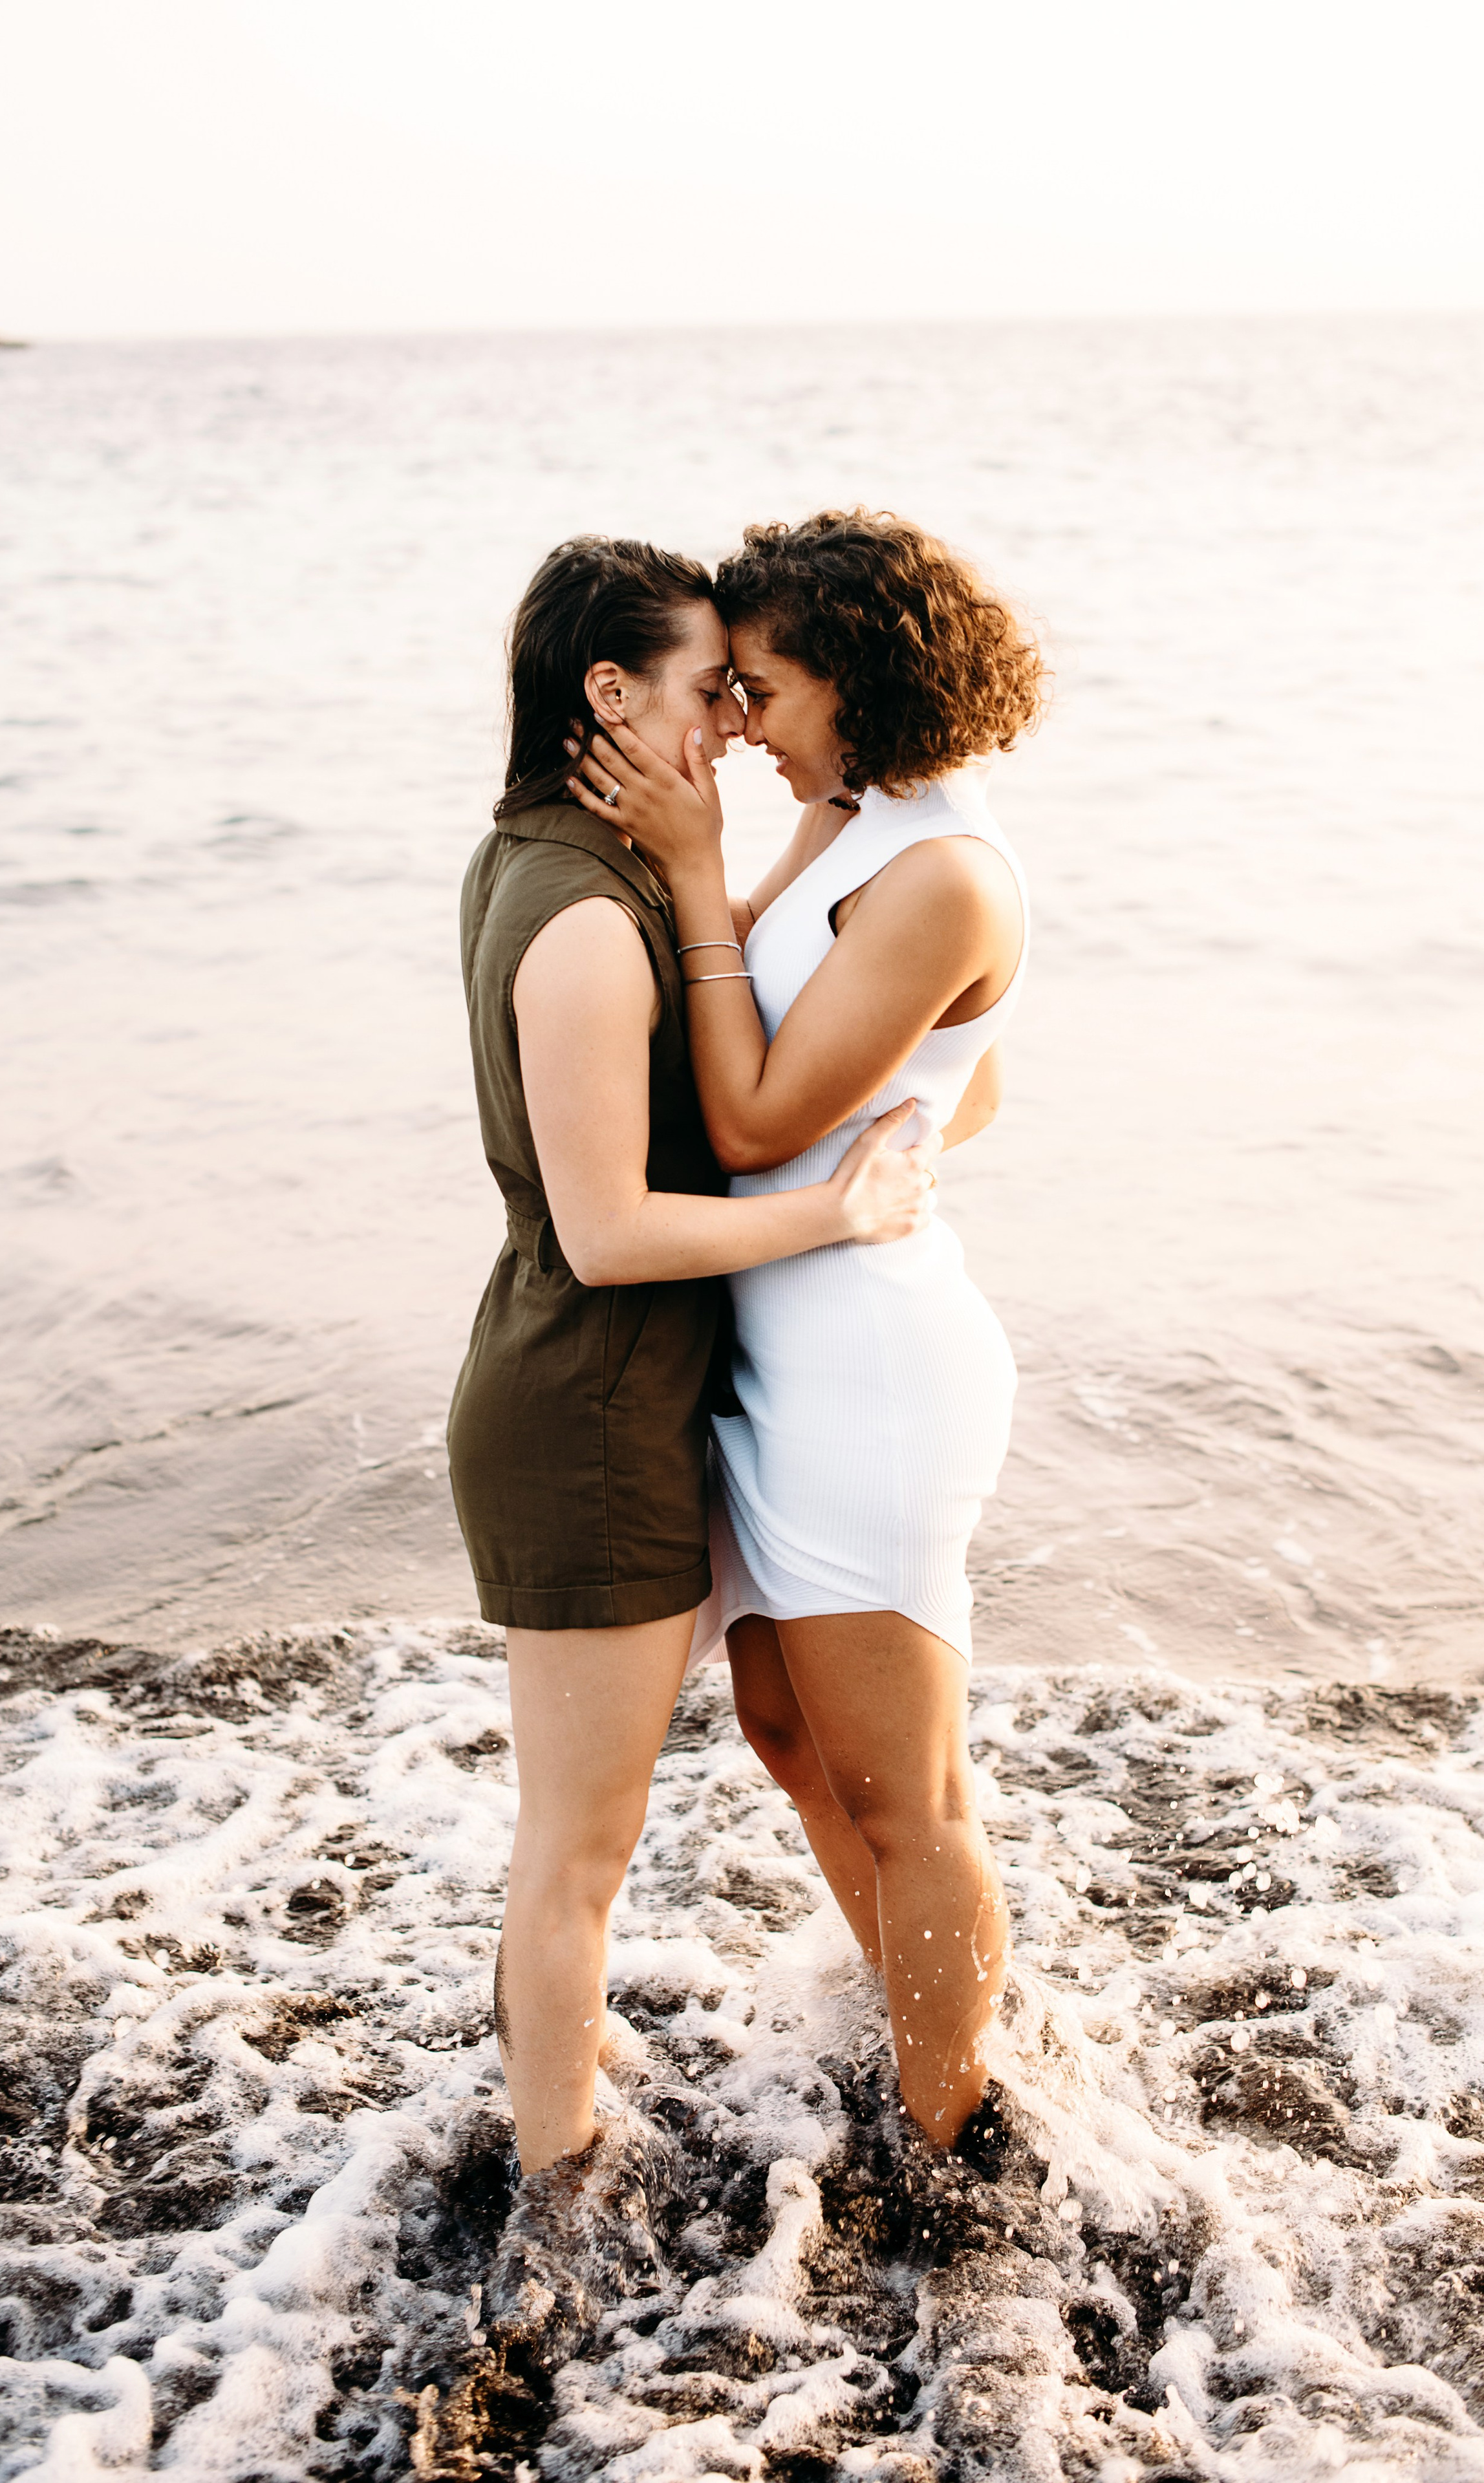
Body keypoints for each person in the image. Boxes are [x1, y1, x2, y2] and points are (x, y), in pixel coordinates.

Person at [446, 535, 938, 2190]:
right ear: (609, 692)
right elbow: (605, 1232)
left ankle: (911, 2045)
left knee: (707, 1775)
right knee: (578, 1852)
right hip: (584, 1412)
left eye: (746, 690)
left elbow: (762, 952)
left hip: (648, 1397)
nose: (729, 718)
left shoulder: (579, 858)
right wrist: (840, 1213)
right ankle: (550, 2193)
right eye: (704, 689)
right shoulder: (579, 917)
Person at [563, 508, 1046, 2147]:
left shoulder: (941, 871)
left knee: (907, 1795)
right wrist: (903, 1131)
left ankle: (952, 2134)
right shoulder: (847, 818)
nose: (738, 727)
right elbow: (963, 1087)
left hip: (870, 1375)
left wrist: (692, 875)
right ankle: (926, 2008)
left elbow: (759, 1117)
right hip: (783, 1344)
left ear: (859, 675)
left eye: (759, 688)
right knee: (783, 1729)